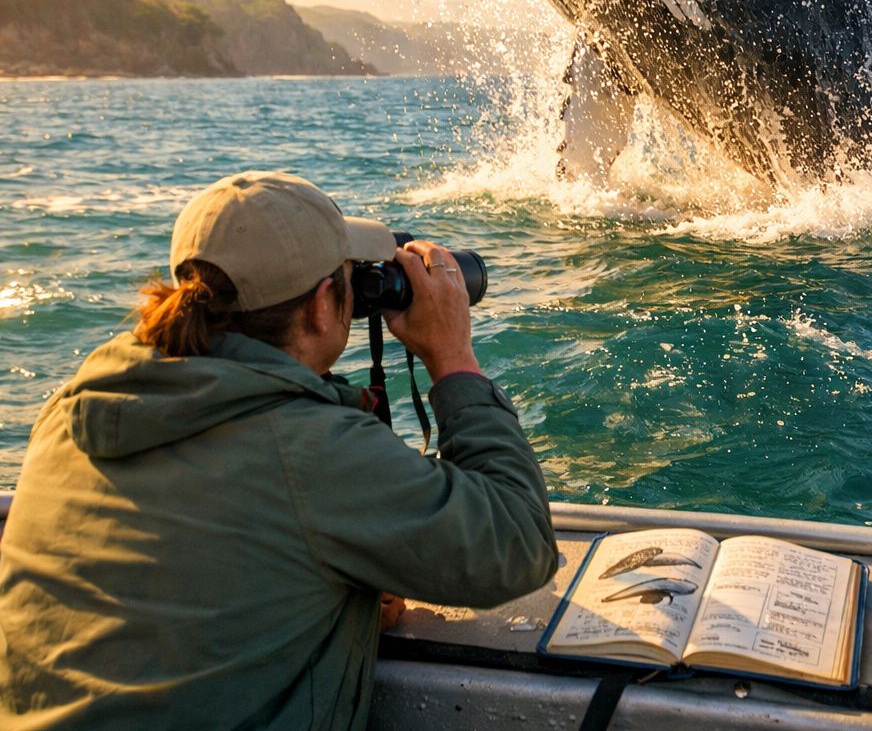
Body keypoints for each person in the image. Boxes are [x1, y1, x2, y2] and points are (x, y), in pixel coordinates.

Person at [0, 171, 558, 730]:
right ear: (322, 306)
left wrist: (337, 602)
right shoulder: (312, 448)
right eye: (351, 280)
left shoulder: (76, 407)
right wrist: (453, 357)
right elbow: (517, 544)